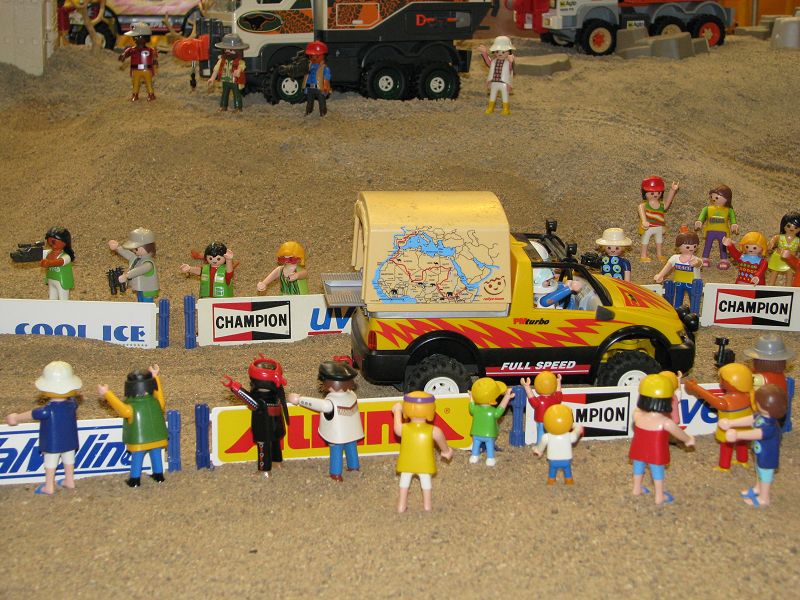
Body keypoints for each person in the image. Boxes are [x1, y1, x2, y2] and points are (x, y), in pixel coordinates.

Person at [5, 361, 81, 495]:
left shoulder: (46, 410)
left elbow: (31, 414)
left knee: (50, 464)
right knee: (69, 460)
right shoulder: (72, 404)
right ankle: (70, 481)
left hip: (52, 444)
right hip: (70, 441)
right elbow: (73, 400)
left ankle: (49, 486)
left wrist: (15, 417)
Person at [288, 361, 363, 481]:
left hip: (337, 435)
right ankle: (354, 467)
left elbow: (315, 404)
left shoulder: (330, 402)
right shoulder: (352, 395)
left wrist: (299, 399)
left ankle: (336, 473)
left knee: (336, 452)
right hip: (353, 432)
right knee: (351, 448)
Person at [629, 374, 695, 505]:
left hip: (638, 449)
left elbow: (637, 409)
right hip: (656, 452)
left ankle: (636, 488)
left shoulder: (637, 416)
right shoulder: (665, 422)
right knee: (657, 472)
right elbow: (679, 433)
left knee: (638, 466)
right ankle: (659, 496)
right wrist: (688, 440)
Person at [98, 365, 168, 487]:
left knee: (137, 458)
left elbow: (121, 408)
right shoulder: (157, 403)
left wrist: (107, 393)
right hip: (158, 438)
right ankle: (159, 476)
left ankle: (135, 479)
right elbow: (159, 394)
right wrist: (155, 377)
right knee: (156, 454)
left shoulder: (131, 407)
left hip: (140, 441)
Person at [720, 384, 787, 507]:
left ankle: (764, 498)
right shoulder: (761, 416)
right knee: (759, 471)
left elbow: (757, 433)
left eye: (758, 401)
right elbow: (751, 419)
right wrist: (731, 423)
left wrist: (738, 435)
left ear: (766, 406)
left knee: (765, 476)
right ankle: (757, 488)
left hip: (768, 457)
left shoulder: (770, 427)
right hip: (760, 454)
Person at [222, 357, 289, 478]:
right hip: (276, 422)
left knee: (263, 446)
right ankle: (277, 462)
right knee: (275, 443)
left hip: (263, 426)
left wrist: (235, 387)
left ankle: (264, 470)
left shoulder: (260, 400)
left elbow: (251, 401)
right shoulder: (276, 394)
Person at [684, 363, 754, 471]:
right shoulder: (748, 396)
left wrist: (695, 388)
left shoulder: (727, 401)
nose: (720, 382)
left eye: (722, 380)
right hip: (744, 427)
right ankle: (743, 460)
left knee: (726, 446)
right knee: (742, 443)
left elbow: (713, 400)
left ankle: (724, 466)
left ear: (732, 383)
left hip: (728, 428)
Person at [392, 391, 453, 513]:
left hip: (407, 463)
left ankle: (401, 505)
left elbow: (396, 427)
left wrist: (397, 411)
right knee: (426, 483)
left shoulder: (404, 428)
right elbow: (442, 443)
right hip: (425, 464)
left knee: (404, 482)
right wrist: (446, 451)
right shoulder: (434, 430)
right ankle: (427, 506)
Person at [653, 229, 703, 313]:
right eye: (687, 247)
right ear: (678, 247)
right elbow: (668, 267)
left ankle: (693, 314)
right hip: (678, 283)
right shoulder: (675, 258)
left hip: (692, 284)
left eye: (694, 246)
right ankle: (677, 312)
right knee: (677, 299)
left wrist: (697, 263)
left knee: (694, 299)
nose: (691, 248)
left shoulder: (696, 259)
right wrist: (660, 275)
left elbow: (700, 264)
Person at [467, 377, 514, 466]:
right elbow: (501, 409)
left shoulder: (476, 409)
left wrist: (471, 397)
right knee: (489, 446)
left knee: (476, 445)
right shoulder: (492, 411)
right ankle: (490, 459)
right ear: (492, 399)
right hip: (489, 434)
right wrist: (507, 397)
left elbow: (471, 407)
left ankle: (474, 457)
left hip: (476, 433)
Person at [534, 404, 582, 485]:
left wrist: (538, 451)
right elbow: (575, 436)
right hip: (566, 459)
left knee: (552, 469)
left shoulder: (547, 436)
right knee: (567, 470)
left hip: (553, 460)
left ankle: (551, 481)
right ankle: (569, 480)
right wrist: (577, 428)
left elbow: (541, 446)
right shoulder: (569, 436)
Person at [108, 228, 159, 302]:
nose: (134, 251)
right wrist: (118, 248)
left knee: (146, 303)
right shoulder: (137, 258)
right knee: (140, 301)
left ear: (148, 248)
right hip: (140, 288)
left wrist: (127, 275)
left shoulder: (148, 264)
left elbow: (139, 270)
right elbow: (128, 254)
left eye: (136, 249)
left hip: (147, 290)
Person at [694, 184, 737, 269]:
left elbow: (733, 218)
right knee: (708, 244)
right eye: (712, 197)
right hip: (710, 230)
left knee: (722, 246)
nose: (713, 199)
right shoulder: (707, 208)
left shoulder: (729, 210)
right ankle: (705, 258)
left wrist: (734, 224)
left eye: (716, 197)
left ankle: (724, 259)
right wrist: (699, 221)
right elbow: (702, 216)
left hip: (723, 231)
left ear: (727, 198)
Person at [638, 176, 679, 262]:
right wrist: (644, 221)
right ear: (645, 193)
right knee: (645, 240)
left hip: (659, 227)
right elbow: (642, 214)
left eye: (658, 193)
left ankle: (659, 254)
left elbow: (667, 203)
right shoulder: (643, 205)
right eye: (652, 193)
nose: (655, 195)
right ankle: (643, 255)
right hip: (648, 227)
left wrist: (672, 190)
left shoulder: (661, 205)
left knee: (659, 241)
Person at [208, 34, 249, 112]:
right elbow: (216, 69)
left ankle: (238, 107)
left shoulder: (239, 61)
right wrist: (212, 78)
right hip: (225, 80)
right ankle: (223, 106)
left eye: (231, 50)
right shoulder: (222, 60)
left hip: (235, 81)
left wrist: (238, 71)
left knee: (236, 94)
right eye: (226, 50)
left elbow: (242, 66)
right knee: (224, 94)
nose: (228, 52)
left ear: (237, 50)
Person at [118, 22, 158, 101]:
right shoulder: (131, 49)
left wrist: (154, 60)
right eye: (134, 37)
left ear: (145, 38)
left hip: (147, 69)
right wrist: (123, 56)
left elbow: (154, 56)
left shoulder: (150, 50)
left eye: (137, 37)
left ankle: (151, 95)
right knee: (135, 83)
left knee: (148, 83)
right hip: (135, 70)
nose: (135, 39)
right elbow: (126, 54)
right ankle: (135, 95)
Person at [521, 371, 562, 445]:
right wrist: (558, 382)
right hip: (551, 421)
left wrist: (527, 387)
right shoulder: (555, 399)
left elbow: (531, 398)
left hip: (541, 421)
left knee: (541, 433)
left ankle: (540, 445)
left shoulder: (540, 401)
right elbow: (559, 394)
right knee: (549, 433)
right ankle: (548, 445)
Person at [477, 36, 514, 116]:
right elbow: (488, 62)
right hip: (494, 82)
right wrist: (484, 53)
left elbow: (510, 69)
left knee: (505, 96)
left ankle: (506, 109)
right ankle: (490, 108)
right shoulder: (493, 62)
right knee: (492, 95)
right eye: (497, 52)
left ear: (509, 52)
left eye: (503, 52)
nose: (500, 54)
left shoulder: (507, 62)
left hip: (504, 83)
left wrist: (511, 62)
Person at [40, 226, 75, 300]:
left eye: (53, 241)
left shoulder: (66, 256)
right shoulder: (48, 253)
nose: (51, 243)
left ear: (64, 242)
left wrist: (49, 263)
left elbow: (60, 262)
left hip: (62, 281)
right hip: (51, 279)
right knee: (52, 299)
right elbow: (38, 255)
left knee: (63, 299)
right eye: (49, 241)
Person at [766, 211, 800, 286]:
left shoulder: (798, 240)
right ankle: (771, 286)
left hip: (791, 260)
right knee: (774, 272)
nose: (792, 228)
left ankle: (788, 288)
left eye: (796, 227)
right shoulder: (779, 237)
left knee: (790, 273)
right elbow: (773, 240)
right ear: (783, 226)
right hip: (778, 258)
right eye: (788, 226)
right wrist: (771, 244)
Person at [303, 40, 331, 116]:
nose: (314, 58)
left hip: (319, 88)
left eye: (317, 56)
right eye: (311, 56)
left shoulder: (324, 68)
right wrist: (305, 87)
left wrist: (326, 87)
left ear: (323, 56)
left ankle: (323, 112)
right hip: (310, 87)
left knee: (321, 101)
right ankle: (308, 111)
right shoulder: (309, 66)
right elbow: (306, 77)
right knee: (309, 101)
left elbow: (326, 78)